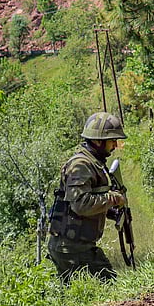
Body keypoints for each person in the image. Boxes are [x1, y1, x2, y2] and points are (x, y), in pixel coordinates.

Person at [47, 112, 128, 281]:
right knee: (109, 287)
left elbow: (87, 199)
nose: (115, 145)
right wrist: (114, 198)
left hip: (74, 246)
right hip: (71, 249)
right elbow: (81, 204)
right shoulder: (81, 165)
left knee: (79, 291)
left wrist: (110, 211)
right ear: (98, 141)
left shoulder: (93, 163)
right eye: (112, 140)